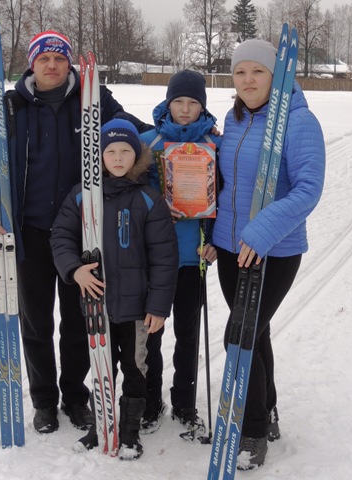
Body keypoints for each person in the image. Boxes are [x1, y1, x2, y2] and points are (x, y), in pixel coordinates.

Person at [0, 31, 151, 435]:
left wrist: (184, 136)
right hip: (28, 232)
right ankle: (44, 401)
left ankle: (75, 397)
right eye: (44, 58)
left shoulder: (93, 100)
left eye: (60, 58)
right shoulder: (12, 108)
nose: (52, 65)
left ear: (70, 64)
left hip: (81, 233)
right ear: (32, 63)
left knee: (79, 320)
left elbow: (138, 134)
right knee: (35, 323)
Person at [212, 39, 325, 469]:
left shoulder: (299, 122)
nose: (247, 81)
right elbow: (227, 184)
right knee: (255, 333)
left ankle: (253, 430)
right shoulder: (234, 118)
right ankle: (269, 408)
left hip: (275, 250)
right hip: (229, 247)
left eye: (257, 71)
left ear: (276, 75)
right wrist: (211, 229)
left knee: (239, 335)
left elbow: (308, 189)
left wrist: (261, 232)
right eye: (240, 73)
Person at [50, 119, 179, 459]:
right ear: (99, 156)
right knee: (102, 367)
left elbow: (165, 258)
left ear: (136, 155)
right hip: (96, 305)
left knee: (136, 368)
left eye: (125, 151)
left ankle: (131, 432)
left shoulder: (149, 199)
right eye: (110, 151)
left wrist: (158, 307)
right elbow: (61, 236)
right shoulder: (81, 197)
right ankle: (101, 426)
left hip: (137, 309)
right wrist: (74, 270)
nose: (118, 158)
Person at [139, 70, 219, 434]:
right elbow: (126, 188)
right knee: (150, 333)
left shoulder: (214, 144)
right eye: (179, 102)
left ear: (202, 106)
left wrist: (214, 238)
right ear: (168, 103)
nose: (185, 110)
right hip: (154, 259)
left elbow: (226, 196)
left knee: (188, 334)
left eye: (193, 103)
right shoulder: (147, 143)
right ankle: (150, 401)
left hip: (192, 257)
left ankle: (184, 403)